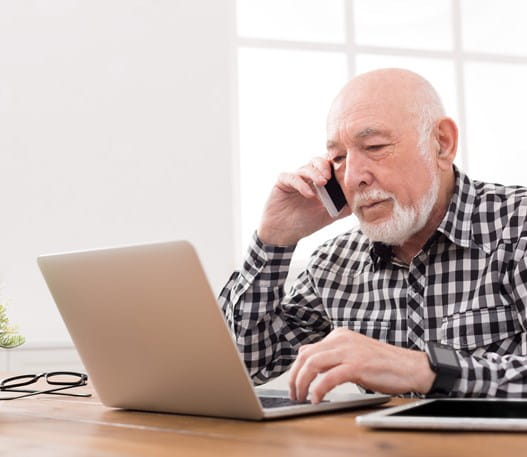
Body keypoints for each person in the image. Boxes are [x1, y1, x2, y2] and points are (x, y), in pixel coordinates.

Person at [219, 68, 527, 403]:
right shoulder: (335, 263)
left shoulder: (517, 227)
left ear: (442, 144)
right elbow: (246, 363)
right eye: (338, 158)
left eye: (375, 146)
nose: (352, 177)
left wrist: (423, 369)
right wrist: (274, 239)